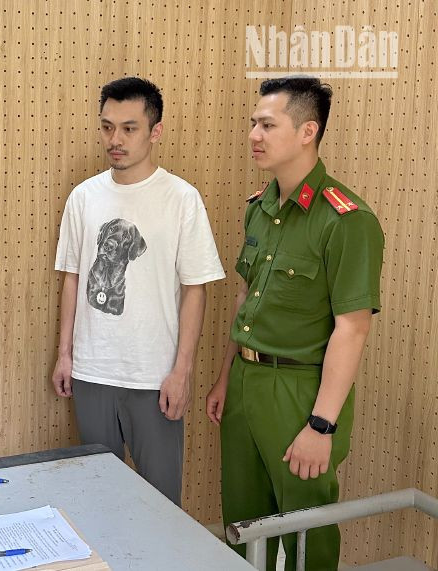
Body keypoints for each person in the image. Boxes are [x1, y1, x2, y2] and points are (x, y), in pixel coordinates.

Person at [206, 76, 384, 570]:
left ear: (308, 131)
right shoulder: (260, 208)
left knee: (307, 533)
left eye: (267, 125)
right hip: (246, 385)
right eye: (253, 124)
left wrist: (321, 426)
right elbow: (246, 297)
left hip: (301, 393)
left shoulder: (346, 220)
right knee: (242, 525)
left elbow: (352, 328)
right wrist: (226, 376)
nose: (253, 135)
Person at [52, 77, 225, 506]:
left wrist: (182, 372)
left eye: (129, 128)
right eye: (107, 127)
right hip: (92, 372)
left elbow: (195, 290)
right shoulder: (83, 198)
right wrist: (65, 355)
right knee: (98, 500)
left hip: (154, 377)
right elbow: (72, 278)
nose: (115, 139)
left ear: (155, 130)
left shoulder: (181, 199)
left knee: (162, 504)